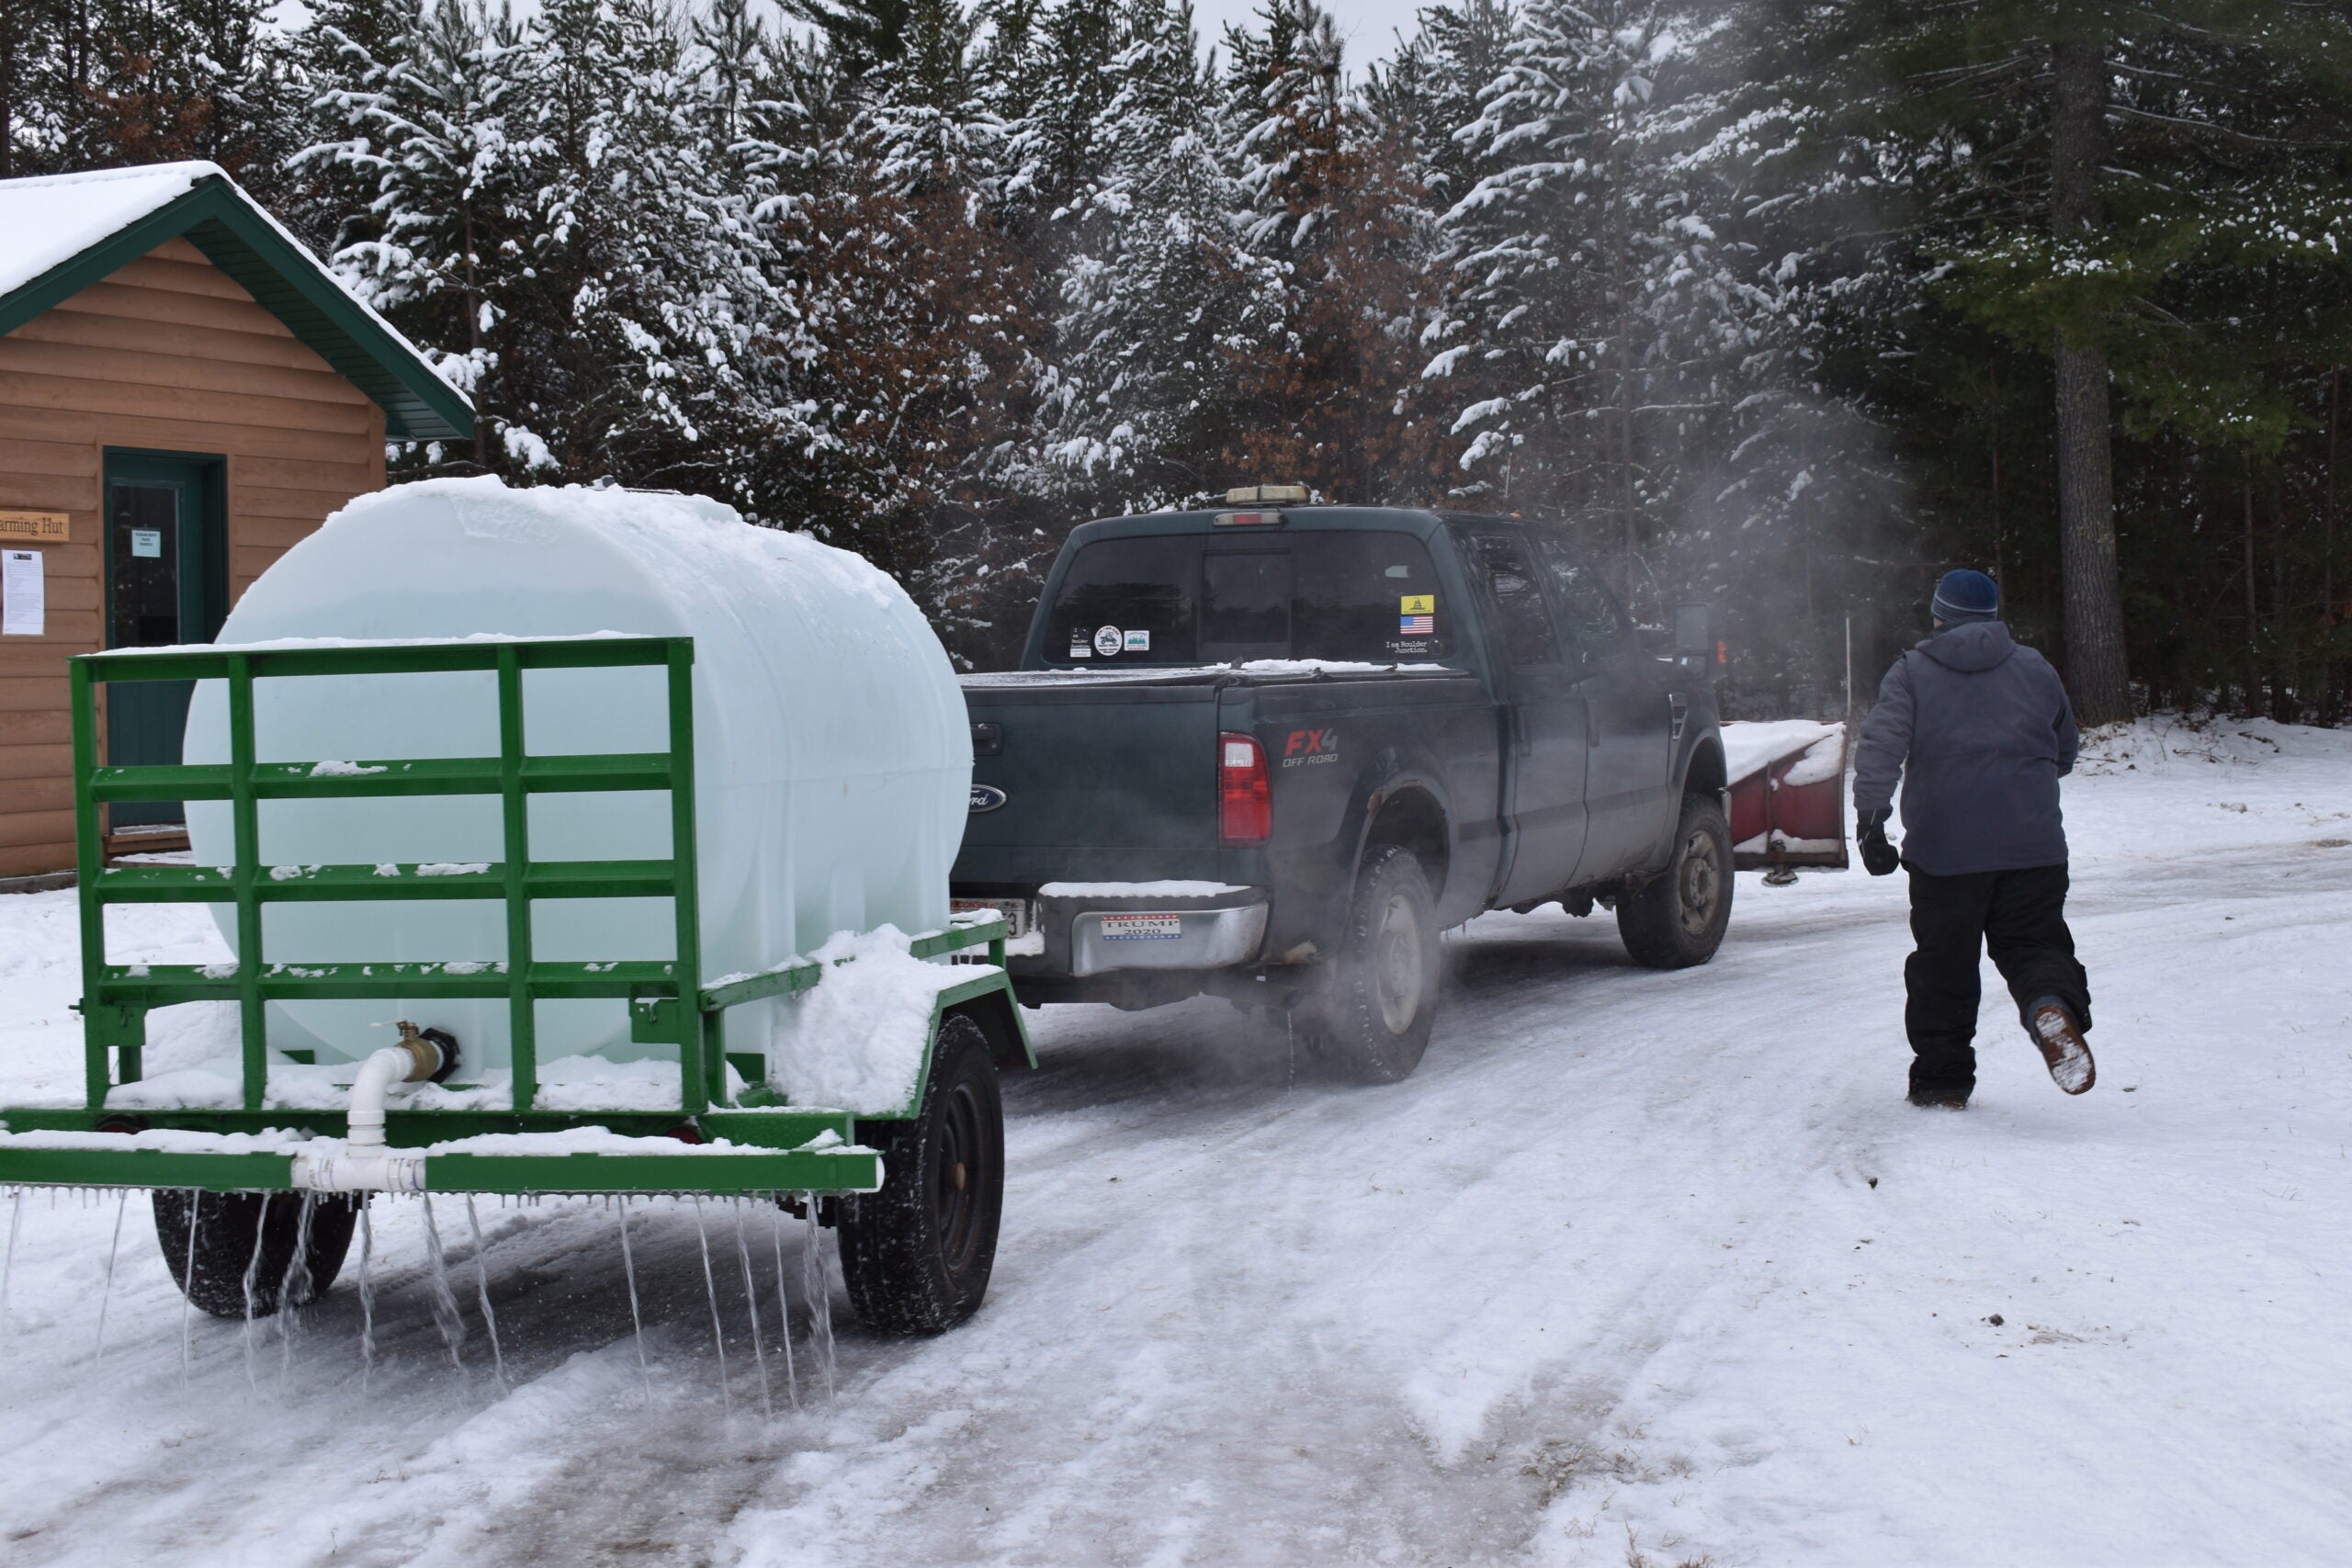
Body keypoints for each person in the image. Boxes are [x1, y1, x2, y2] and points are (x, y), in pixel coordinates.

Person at [1851, 568, 2096, 1107]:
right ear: (1993, 616)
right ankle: (2049, 1006)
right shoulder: (2035, 668)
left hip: (1945, 856)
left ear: (1938, 615)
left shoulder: (1911, 672)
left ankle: (1943, 1083)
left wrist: (1871, 821)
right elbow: (2064, 751)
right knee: (2035, 944)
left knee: (1944, 964)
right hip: (2033, 850)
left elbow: (1880, 749)